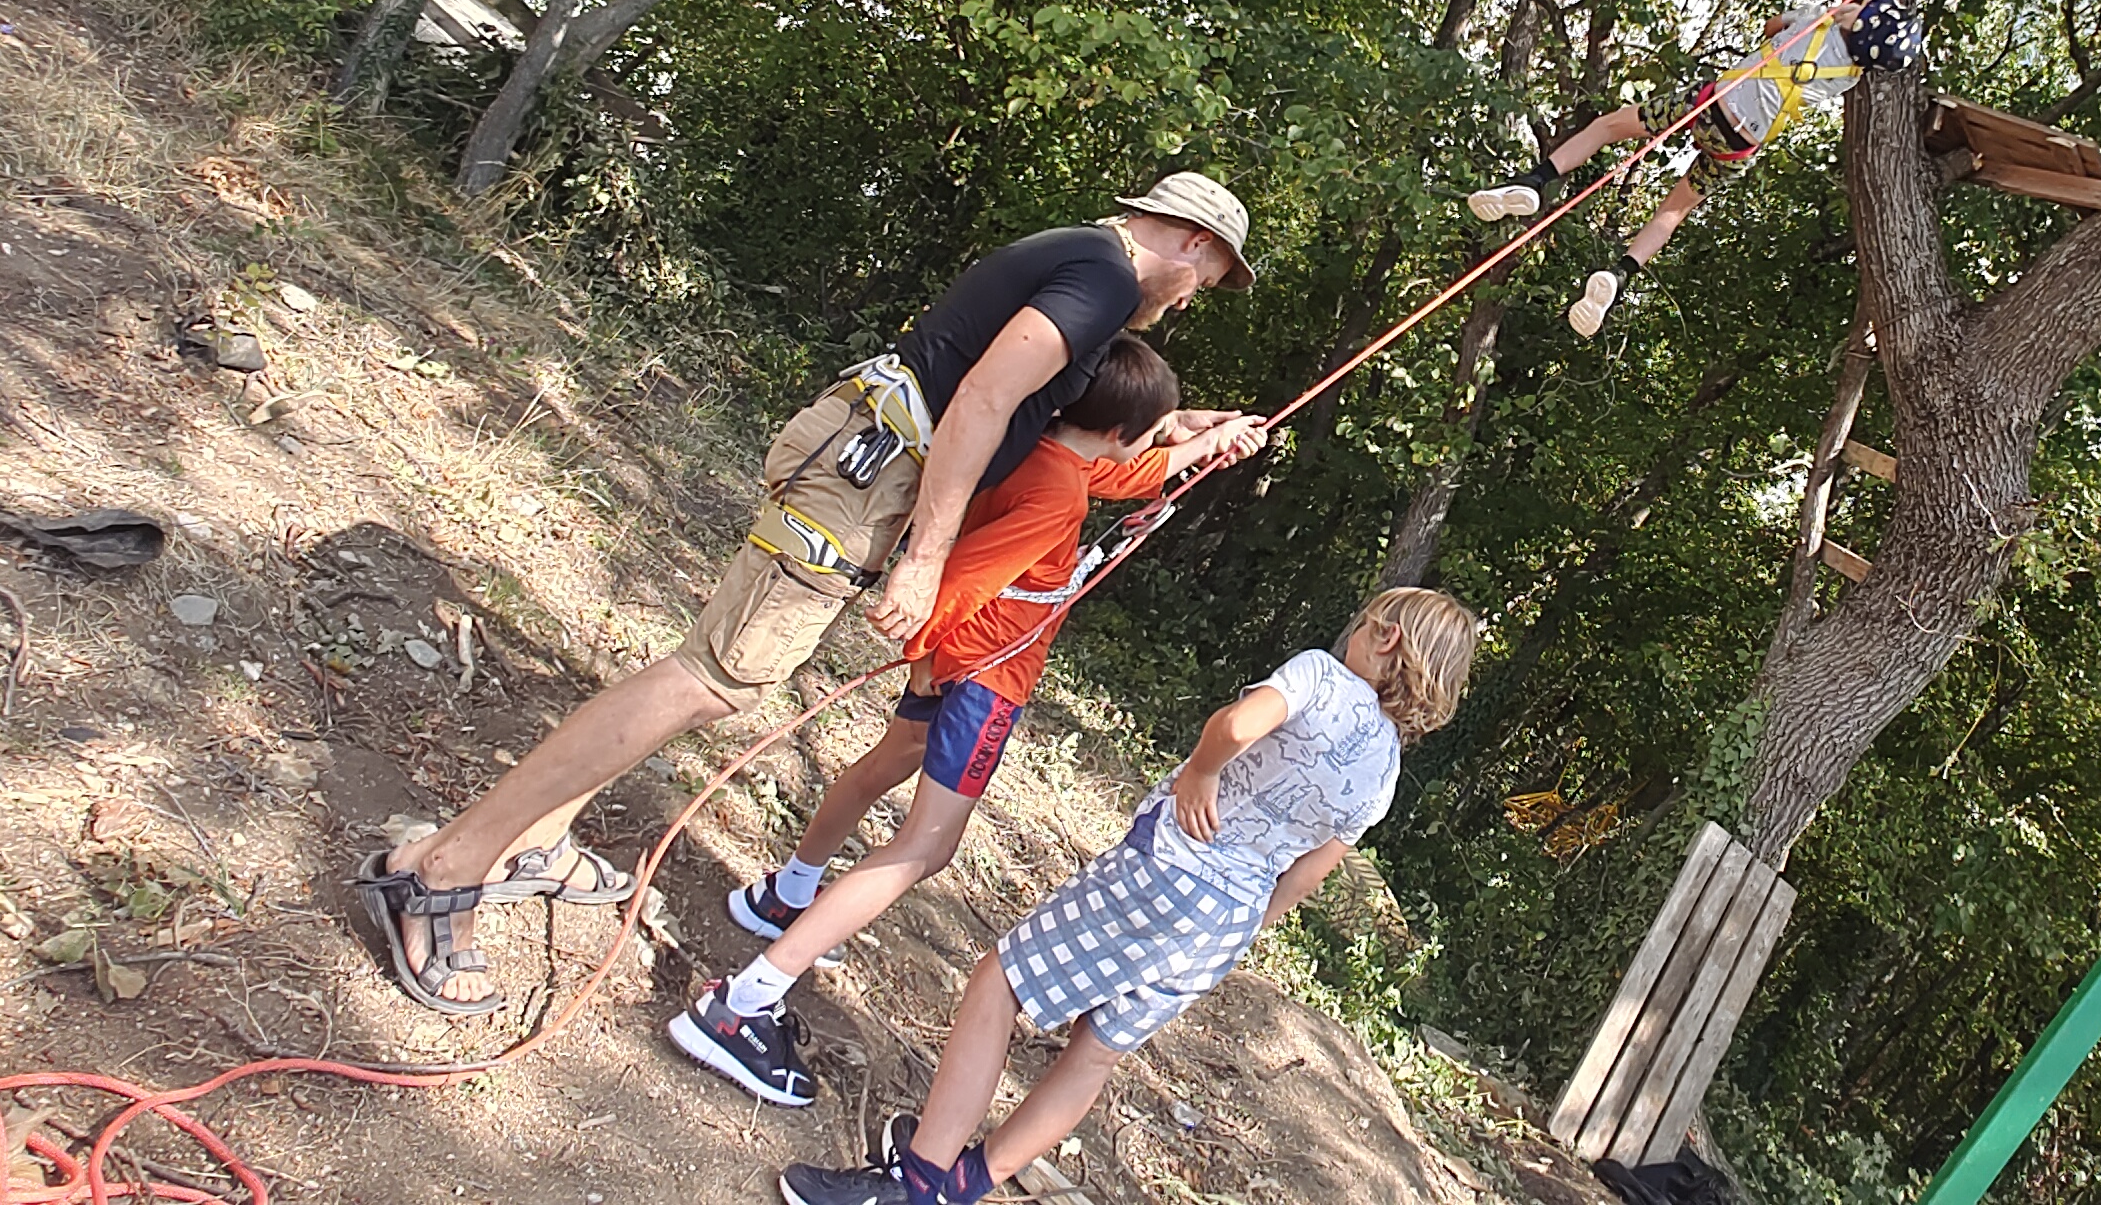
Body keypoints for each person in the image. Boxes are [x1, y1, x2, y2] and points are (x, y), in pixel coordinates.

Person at [356, 175, 1261, 1015]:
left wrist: (1174, 431)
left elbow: (1037, 410)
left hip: (868, 462)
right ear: (1191, 241)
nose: (1191, 301)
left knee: (719, 676)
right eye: (1207, 280)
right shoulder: (1103, 278)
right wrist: (926, 559)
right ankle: (445, 868)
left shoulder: (1083, 263)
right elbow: (983, 401)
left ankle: (537, 839)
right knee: (711, 677)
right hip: (866, 477)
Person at [670, 331, 1266, 1106]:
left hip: (958, 658)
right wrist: (924, 646)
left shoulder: (1038, 445)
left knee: (885, 765)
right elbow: (966, 576)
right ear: (1119, 430)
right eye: (1150, 431)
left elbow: (1121, 472)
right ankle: (744, 1004)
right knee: (927, 845)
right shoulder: (1059, 496)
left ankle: (786, 893)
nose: (1157, 441)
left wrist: (1203, 441)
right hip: (984, 676)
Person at [770, 587, 1482, 1205]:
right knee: (1095, 1054)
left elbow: (1237, 726)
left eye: (1365, 625)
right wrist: (1246, 925)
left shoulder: (1322, 677)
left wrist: (1201, 774)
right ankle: (968, 1181)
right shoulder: (1386, 772)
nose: (1355, 633)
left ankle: (916, 1179)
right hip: (1223, 925)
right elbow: (1308, 875)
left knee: (1001, 981)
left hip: (1169, 868)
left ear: (1386, 637)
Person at [1468, 0, 1917, 335]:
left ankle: (1537, 180)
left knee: (1608, 126)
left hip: (1710, 106)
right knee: (1673, 210)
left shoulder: (1814, 19)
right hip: (1739, 146)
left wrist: (1833, 12)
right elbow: (1851, 42)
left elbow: (1770, 27)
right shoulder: (1849, 77)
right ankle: (1619, 275)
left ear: (1859, 18)